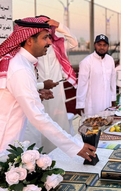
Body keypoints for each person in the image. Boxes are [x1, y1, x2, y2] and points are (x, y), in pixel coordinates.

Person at [0, 17, 95, 161]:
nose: (50, 42)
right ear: (29, 40)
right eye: (45, 38)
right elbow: (37, 115)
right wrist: (75, 146)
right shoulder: (20, 68)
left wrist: (36, 93)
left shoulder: (22, 63)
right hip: (4, 142)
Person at [24, 15, 78, 153]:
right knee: (39, 123)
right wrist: (41, 86)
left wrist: (59, 25)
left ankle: (60, 153)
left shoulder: (57, 45)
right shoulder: (33, 49)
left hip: (57, 91)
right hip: (38, 91)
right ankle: (42, 157)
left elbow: (74, 42)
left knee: (58, 122)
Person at [76, 34, 116, 116]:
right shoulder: (86, 62)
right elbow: (82, 85)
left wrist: (113, 99)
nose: (102, 47)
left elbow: (112, 81)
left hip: (107, 102)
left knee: (107, 125)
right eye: (99, 45)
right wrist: (80, 104)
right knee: (92, 126)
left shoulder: (110, 60)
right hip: (92, 104)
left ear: (108, 46)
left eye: (104, 45)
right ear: (95, 45)